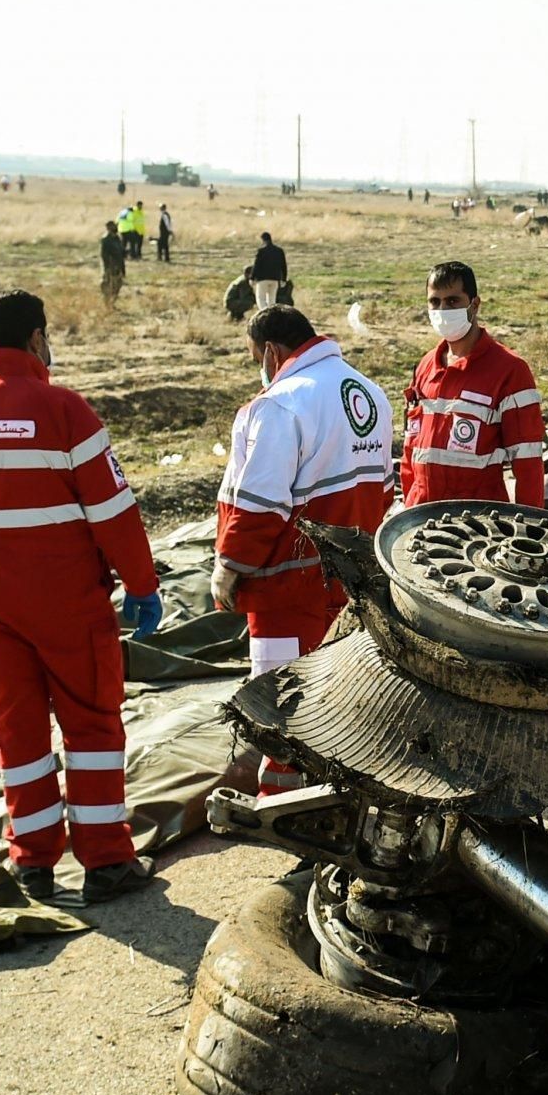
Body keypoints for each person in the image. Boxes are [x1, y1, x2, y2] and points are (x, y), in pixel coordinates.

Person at [0, 289, 163, 903]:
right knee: (92, 725)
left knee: (16, 731)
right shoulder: (63, 410)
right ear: (37, 339)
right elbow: (114, 512)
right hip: (67, 599)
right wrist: (143, 585)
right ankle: (106, 862)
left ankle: (33, 863)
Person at [213, 305, 393, 793]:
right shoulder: (370, 394)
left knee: (283, 704)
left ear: (271, 352)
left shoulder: (279, 404)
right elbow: (384, 489)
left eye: (256, 357)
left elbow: (259, 503)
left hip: (285, 588)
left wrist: (229, 568)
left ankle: (291, 815)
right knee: (342, 699)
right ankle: (344, 801)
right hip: (351, 576)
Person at [400, 261, 546, 507]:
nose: (442, 310)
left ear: (474, 305)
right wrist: (407, 511)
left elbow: (528, 464)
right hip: (421, 515)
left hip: (477, 524)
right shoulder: (426, 366)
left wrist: (529, 530)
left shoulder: (509, 371)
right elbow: (410, 450)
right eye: (435, 302)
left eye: (453, 301)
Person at [252, 231, 289, 310]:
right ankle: (272, 315)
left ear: (263, 239)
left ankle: (264, 314)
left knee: (261, 298)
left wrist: (252, 277)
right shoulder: (279, 251)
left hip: (262, 279)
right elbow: (284, 265)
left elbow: (256, 265)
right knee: (272, 300)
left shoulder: (261, 251)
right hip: (275, 278)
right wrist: (284, 279)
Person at [100, 220, 127, 306]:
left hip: (118, 265)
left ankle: (112, 303)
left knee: (118, 285)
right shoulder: (106, 240)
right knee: (108, 285)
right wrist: (107, 267)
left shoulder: (117, 238)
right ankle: (107, 303)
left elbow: (121, 252)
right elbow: (104, 255)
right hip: (110, 267)